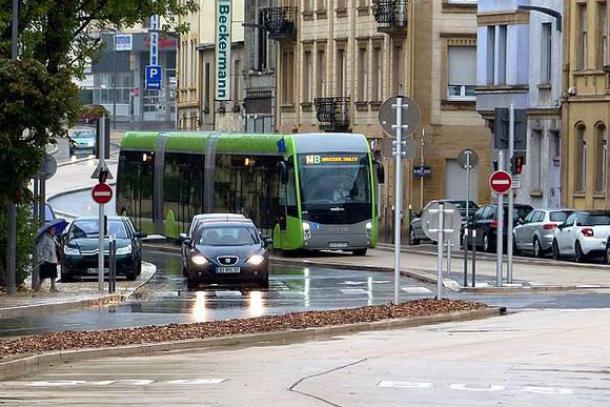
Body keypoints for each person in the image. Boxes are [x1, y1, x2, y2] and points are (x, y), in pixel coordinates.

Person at [36, 227, 59, 291]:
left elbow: (54, 249)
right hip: (45, 259)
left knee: (54, 274)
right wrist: (41, 257)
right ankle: (37, 287)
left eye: (54, 230)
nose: (53, 231)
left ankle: (53, 287)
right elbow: (39, 248)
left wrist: (56, 259)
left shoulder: (54, 238)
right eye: (52, 230)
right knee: (43, 275)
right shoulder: (44, 237)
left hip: (53, 259)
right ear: (49, 230)